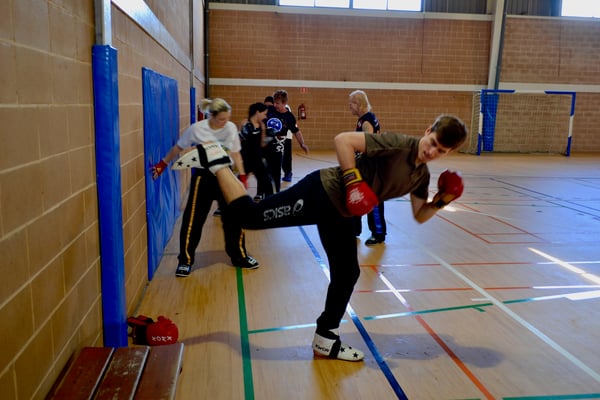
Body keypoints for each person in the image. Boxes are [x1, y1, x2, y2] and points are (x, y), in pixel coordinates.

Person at [182, 114, 467, 361]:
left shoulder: (421, 176)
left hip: (340, 214)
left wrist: (442, 200)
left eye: (441, 151)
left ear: (449, 152)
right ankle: (217, 162)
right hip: (321, 193)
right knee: (249, 218)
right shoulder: (398, 144)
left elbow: (420, 214)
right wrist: (353, 181)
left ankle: (325, 339)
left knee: (347, 273)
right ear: (428, 131)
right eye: (433, 143)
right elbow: (343, 140)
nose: (432, 151)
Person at [151, 98, 260, 277]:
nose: (225, 122)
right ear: (212, 116)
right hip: (204, 178)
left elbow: (235, 154)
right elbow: (178, 148)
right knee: (193, 219)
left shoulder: (231, 128)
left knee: (234, 217)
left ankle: (240, 256)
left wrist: (242, 177)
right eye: (221, 119)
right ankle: (185, 260)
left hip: (226, 175)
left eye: (227, 118)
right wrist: (162, 165)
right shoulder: (197, 129)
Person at [348, 90, 387, 246]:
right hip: (363, 165)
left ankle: (378, 233)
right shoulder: (364, 119)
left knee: (374, 200)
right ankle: (354, 229)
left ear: (358, 104)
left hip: (371, 167)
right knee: (356, 194)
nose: (349, 106)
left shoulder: (367, 121)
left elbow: (370, 143)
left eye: (351, 103)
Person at [264, 90, 308, 189]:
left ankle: (276, 191)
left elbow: (296, 131)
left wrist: (302, 144)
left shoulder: (289, 117)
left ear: (284, 103)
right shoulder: (270, 110)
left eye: (277, 103)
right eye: (274, 102)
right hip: (266, 145)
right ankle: (262, 192)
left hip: (278, 147)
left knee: (276, 171)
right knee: (264, 169)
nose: (275, 105)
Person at [239, 102, 275, 201]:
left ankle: (269, 203)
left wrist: (269, 136)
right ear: (258, 112)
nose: (265, 116)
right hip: (246, 159)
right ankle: (227, 204)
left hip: (258, 159)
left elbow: (262, 144)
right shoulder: (245, 123)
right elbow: (239, 142)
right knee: (238, 183)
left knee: (267, 183)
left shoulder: (262, 125)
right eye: (264, 114)